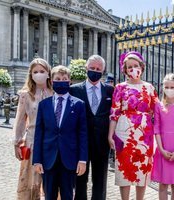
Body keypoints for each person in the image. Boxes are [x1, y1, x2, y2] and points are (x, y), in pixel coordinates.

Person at [108, 51, 158, 200]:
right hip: (123, 133)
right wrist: (110, 135)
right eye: (129, 67)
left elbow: (157, 111)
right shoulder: (120, 87)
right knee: (125, 169)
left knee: (142, 170)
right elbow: (114, 112)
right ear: (124, 70)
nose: (133, 69)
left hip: (144, 135)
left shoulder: (149, 88)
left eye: (136, 66)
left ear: (141, 67)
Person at [33, 65, 88, 200]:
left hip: (69, 160)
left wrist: (82, 160)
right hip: (48, 159)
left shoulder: (79, 104)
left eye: (64, 78)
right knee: (49, 195)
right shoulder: (43, 105)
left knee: (68, 195)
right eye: (57, 78)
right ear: (51, 81)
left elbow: (82, 134)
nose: (61, 81)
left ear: (69, 81)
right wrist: (37, 160)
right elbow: (38, 134)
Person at [70, 55, 114, 200]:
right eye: (92, 68)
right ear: (86, 69)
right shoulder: (74, 90)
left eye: (98, 69)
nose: (95, 71)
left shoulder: (110, 90)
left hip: (102, 143)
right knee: (80, 179)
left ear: (103, 71)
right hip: (81, 142)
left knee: (100, 180)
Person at [13, 58, 53, 200]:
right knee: (31, 181)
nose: (39, 74)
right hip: (32, 140)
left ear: (48, 73)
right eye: (35, 72)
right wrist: (17, 143)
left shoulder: (54, 93)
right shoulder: (25, 94)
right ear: (31, 74)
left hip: (51, 142)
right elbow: (20, 121)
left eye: (42, 71)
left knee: (51, 181)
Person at [151, 73, 174, 200]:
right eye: (167, 87)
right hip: (163, 149)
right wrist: (161, 149)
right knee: (163, 186)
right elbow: (157, 129)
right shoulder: (159, 105)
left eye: (172, 87)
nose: (169, 90)